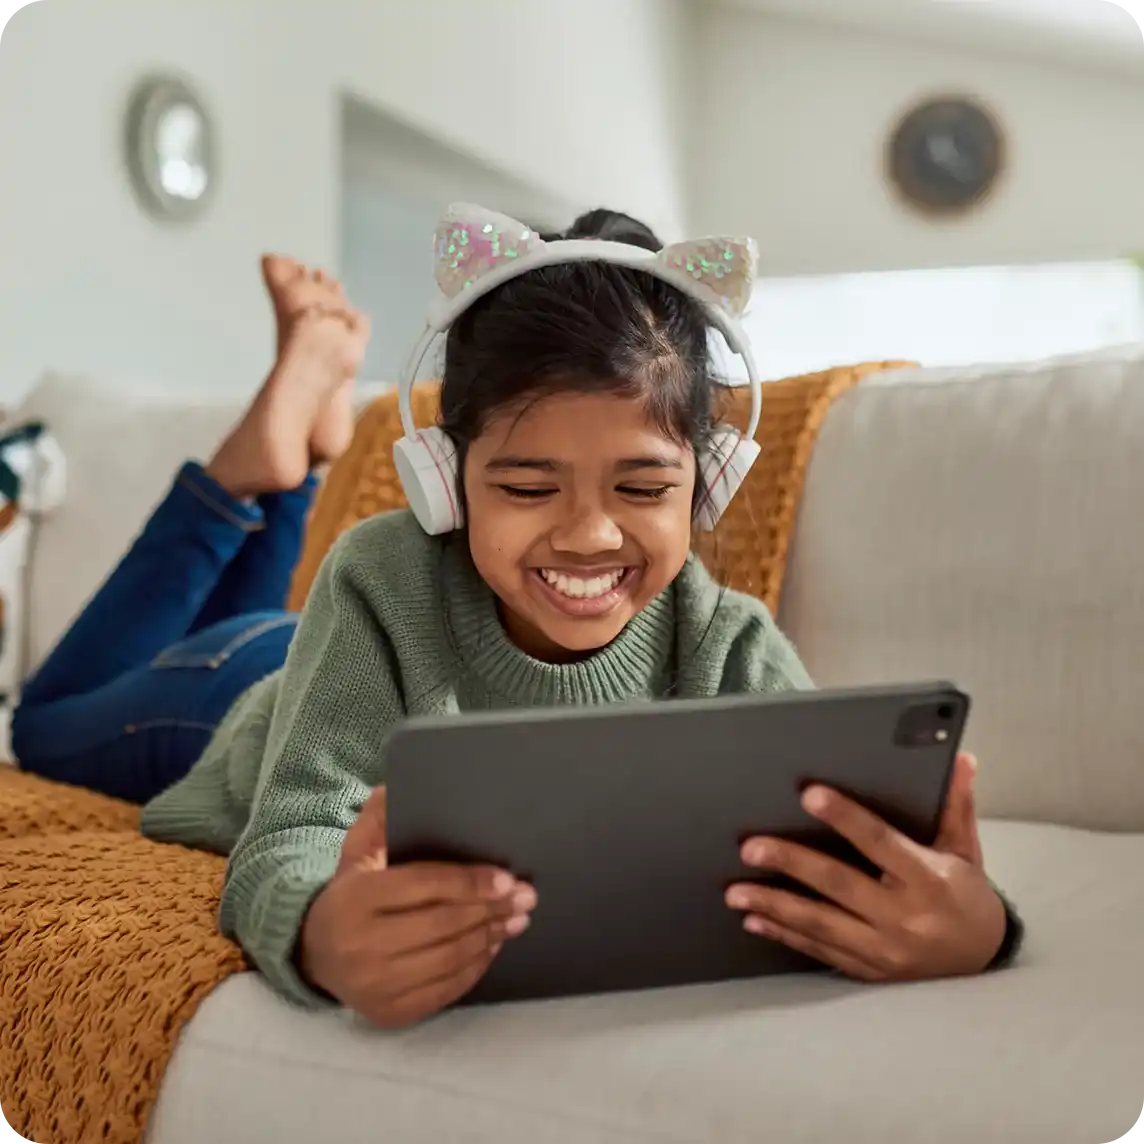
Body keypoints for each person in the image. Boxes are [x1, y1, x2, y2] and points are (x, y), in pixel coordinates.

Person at [23, 207, 1021, 1032]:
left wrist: (976, 925)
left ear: (707, 487)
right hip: (240, 695)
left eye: (641, 484)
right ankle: (257, 476)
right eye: (526, 484)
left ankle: (289, 463)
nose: (590, 536)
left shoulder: (729, 641)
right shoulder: (378, 575)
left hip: (318, 657)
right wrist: (320, 928)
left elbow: (839, 861)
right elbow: (291, 830)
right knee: (44, 722)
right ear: (445, 481)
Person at [11, 256, 370, 802]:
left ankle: (278, 476)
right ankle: (245, 479)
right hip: (279, 685)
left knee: (43, 723)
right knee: (42, 725)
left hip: (299, 648)